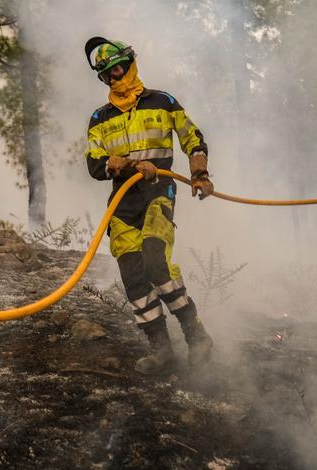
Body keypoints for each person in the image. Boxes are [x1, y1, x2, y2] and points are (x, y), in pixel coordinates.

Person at [83, 37, 214, 375]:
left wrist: (199, 172)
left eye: (119, 69)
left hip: (159, 191)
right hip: (123, 203)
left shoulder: (163, 101)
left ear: (131, 64)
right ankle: (161, 349)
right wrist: (123, 164)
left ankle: (194, 333)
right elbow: (95, 164)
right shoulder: (99, 118)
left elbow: (192, 137)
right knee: (133, 276)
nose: (114, 78)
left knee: (156, 258)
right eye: (107, 75)